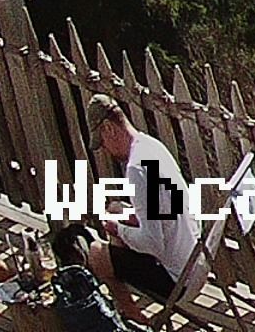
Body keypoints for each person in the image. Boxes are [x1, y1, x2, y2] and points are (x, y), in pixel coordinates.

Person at [70, 94, 197, 307]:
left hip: (178, 279)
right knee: (116, 209)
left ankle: (131, 314)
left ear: (109, 128)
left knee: (96, 254)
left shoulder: (136, 170)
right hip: (194, 257)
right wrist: (123, 219)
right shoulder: (151, 146)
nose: (107, 151)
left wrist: (117, 230)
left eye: (103, 143)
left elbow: (152, 243)